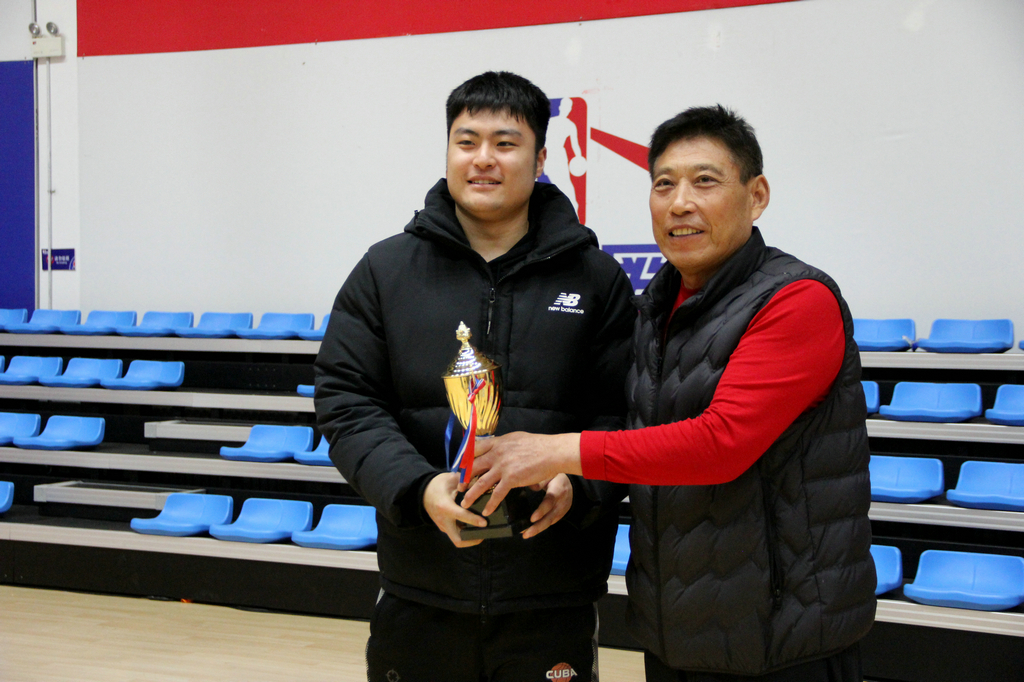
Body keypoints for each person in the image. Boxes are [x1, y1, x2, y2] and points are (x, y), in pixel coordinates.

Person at [463, 105, 876, 682]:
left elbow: (721, 444)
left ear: (756, 196)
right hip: (675, 630)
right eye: (663, 184)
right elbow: (638, 437)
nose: (680, 202)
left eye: (704, 181)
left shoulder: (797, 300)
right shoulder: (654, 308)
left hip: (783, 640)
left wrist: (555, 451)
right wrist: (570, 479)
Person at [313, 71, 635, 682]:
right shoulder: (385, 270)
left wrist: (578, 478)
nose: (483, 158)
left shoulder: (597, 280)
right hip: (420, 586)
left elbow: (625, 412)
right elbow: (346, 399)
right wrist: (416, 488)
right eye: (467, 141)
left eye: (505, 143)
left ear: (541, 159)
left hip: (551, 593)